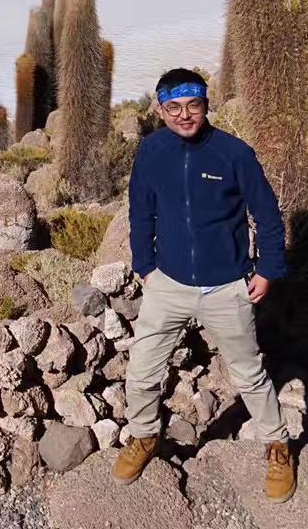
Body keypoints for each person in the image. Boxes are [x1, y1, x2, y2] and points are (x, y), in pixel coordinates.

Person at [111, 67, 295, 502]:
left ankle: (277, 445)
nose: (184, 115)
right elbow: (140, 211)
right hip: (167, 284)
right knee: (141, 373)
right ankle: (144, 436)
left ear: (206, 105)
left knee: (249, 374)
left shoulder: (235, 154)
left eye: (193, 105)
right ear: (160, 110)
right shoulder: (152, 151)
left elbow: (267, 217)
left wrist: (268, 270)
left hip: (227, 287)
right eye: (173, 107)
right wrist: (146, 266)